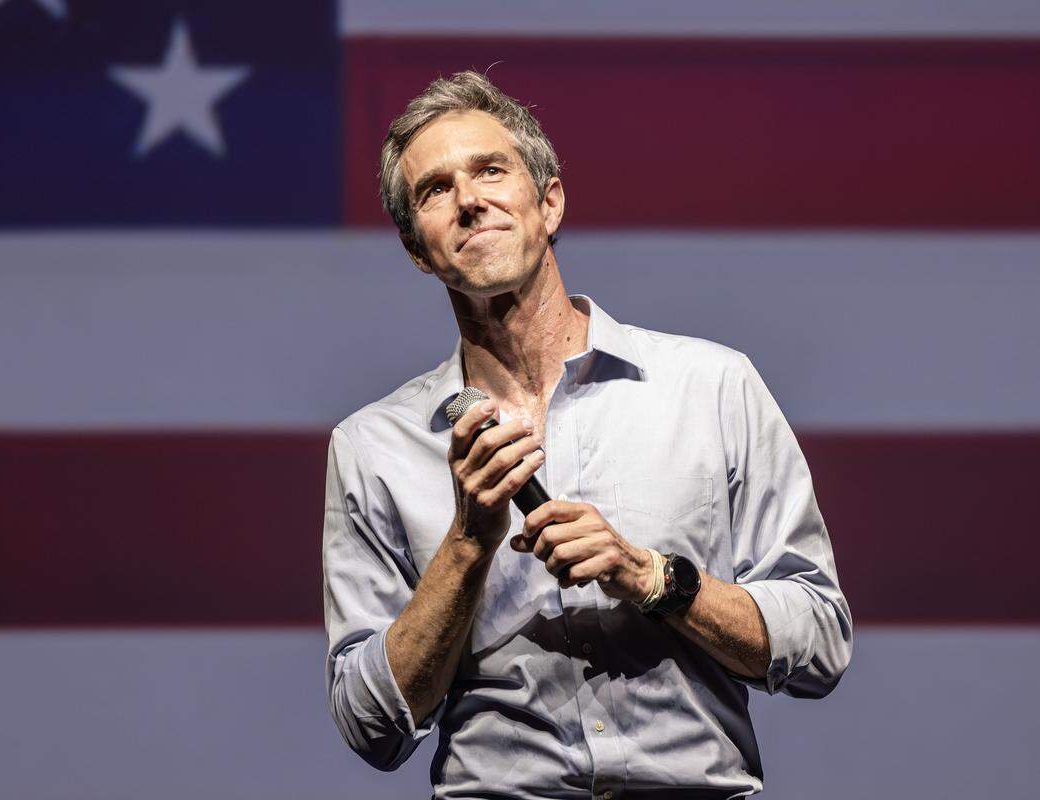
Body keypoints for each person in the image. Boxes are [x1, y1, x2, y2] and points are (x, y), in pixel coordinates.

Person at [322, 71, 852, 798]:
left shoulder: (712, 387)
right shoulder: (373, 447)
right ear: (419, 250)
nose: (469, 200)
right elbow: (370, 725)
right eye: (434, 191)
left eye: (490, 170)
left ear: (549, 202)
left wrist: (652, 577)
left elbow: (820, 642)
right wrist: (469, 543)